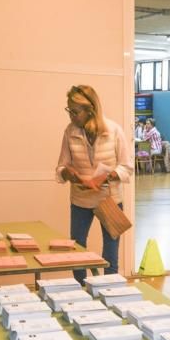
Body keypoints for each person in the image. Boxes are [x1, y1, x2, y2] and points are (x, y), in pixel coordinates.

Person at [56, 85, 133, 284]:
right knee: (78, 249)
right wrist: (68, 173)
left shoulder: (114, 130)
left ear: (90, 110)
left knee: (110, 253)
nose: (71, 116)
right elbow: (61, 167)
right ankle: (81, 290)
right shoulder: (70, 131)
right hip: (80, 200)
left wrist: (106, 177)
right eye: (69, 110)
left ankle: (110, 291)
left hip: (109, 200)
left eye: (75, 111)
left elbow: (127, 167)